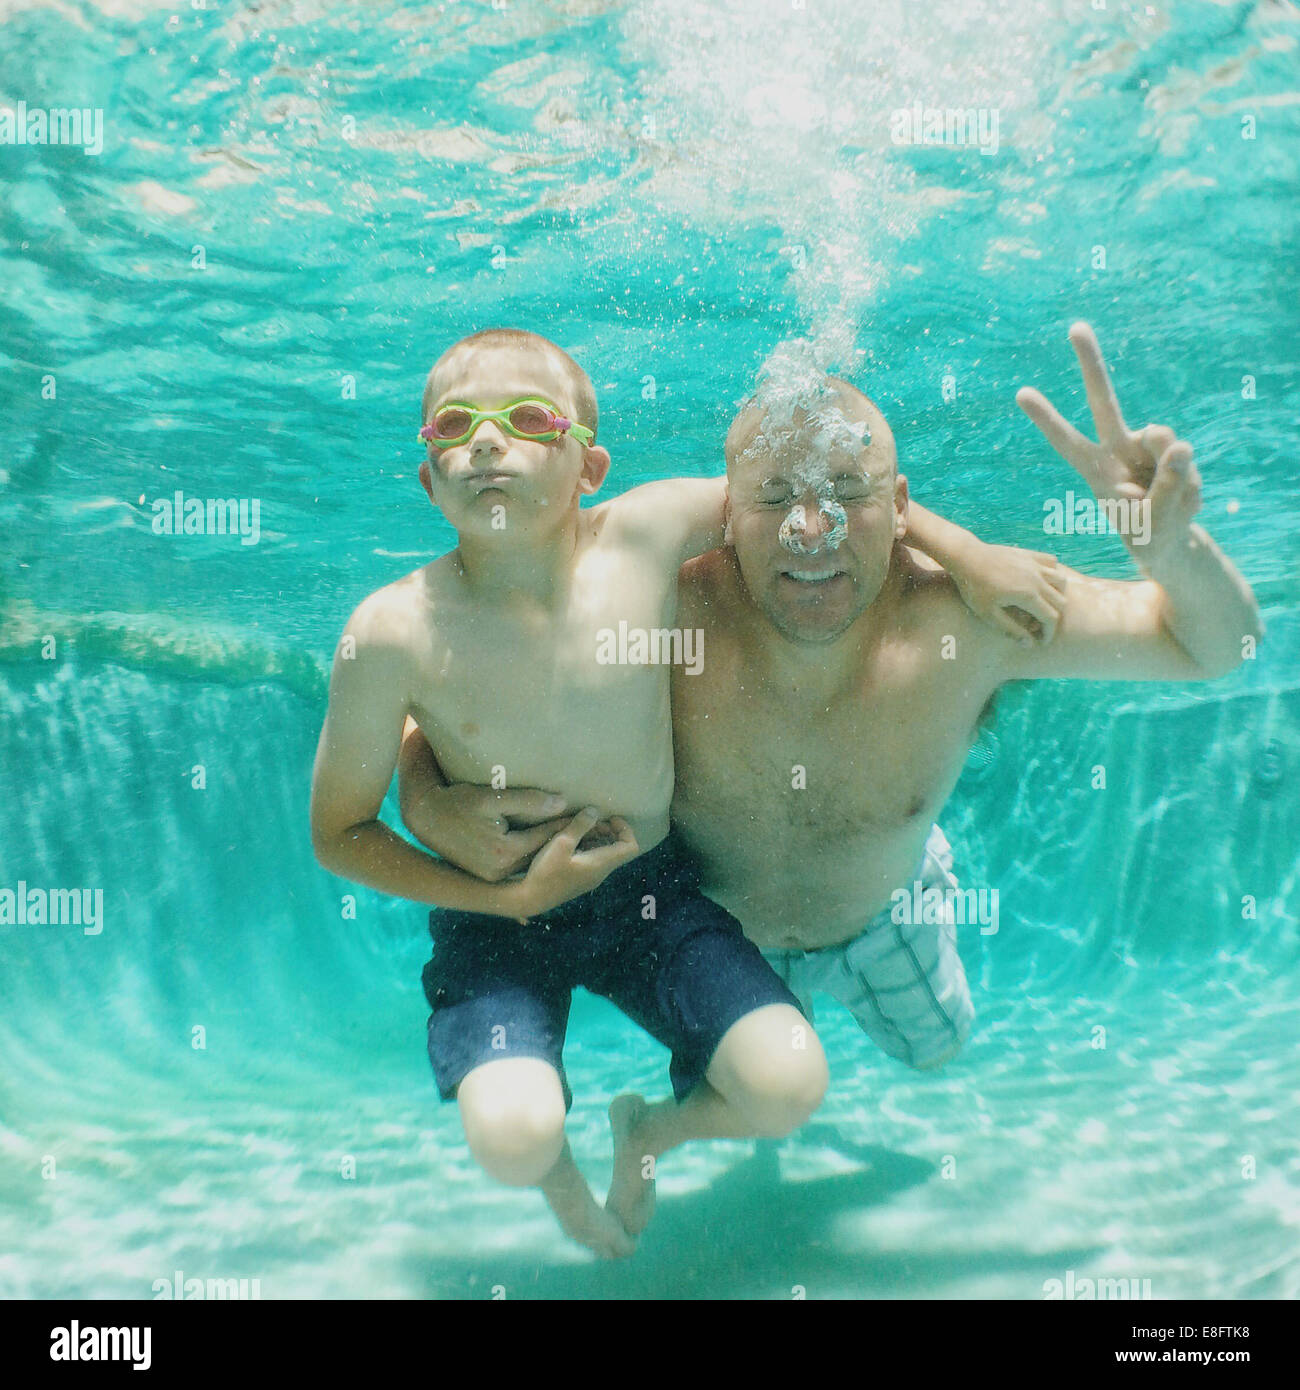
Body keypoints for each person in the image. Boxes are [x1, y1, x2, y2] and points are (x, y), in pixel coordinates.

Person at [398, 322, 1262, 1222]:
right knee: (769, 1094)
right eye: (775, 498)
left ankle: (678, 1107)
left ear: (899, 502)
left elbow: (1214, 646)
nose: (812, 530)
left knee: (936, 1049)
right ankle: (662, 1125)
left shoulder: (971, 618)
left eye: (849, 493)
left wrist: (1169, 551)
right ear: (727, 513)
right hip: (709, 934)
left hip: (884, 911)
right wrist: (424, 793)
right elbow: (471, 677)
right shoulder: (662, 604)